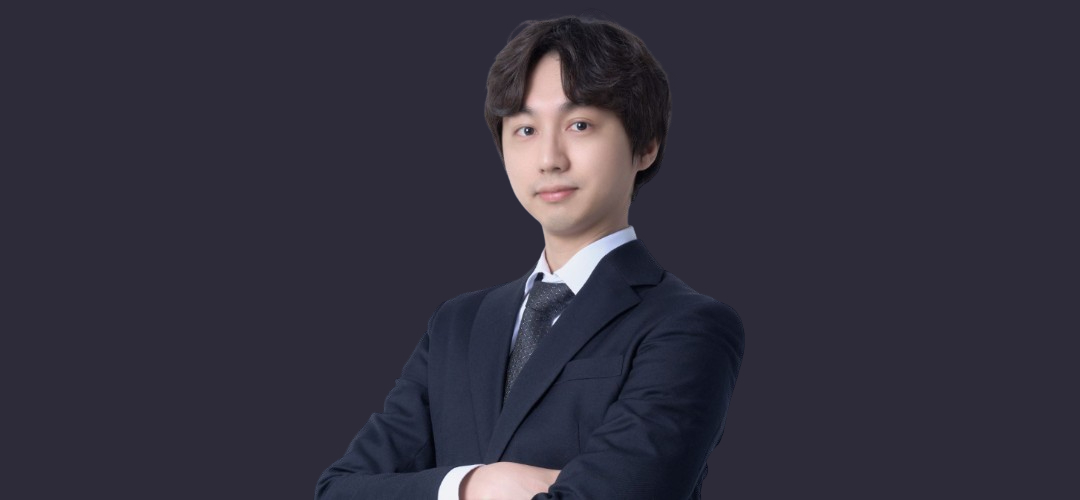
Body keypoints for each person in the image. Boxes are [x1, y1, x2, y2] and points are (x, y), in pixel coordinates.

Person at [315, 15, 744, 500]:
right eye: (525, 129)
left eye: (580, 125)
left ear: (645, 146)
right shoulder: (456, 324)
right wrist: (473, 485)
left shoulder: (688, 326)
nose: (549, 159)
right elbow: (339, 490)